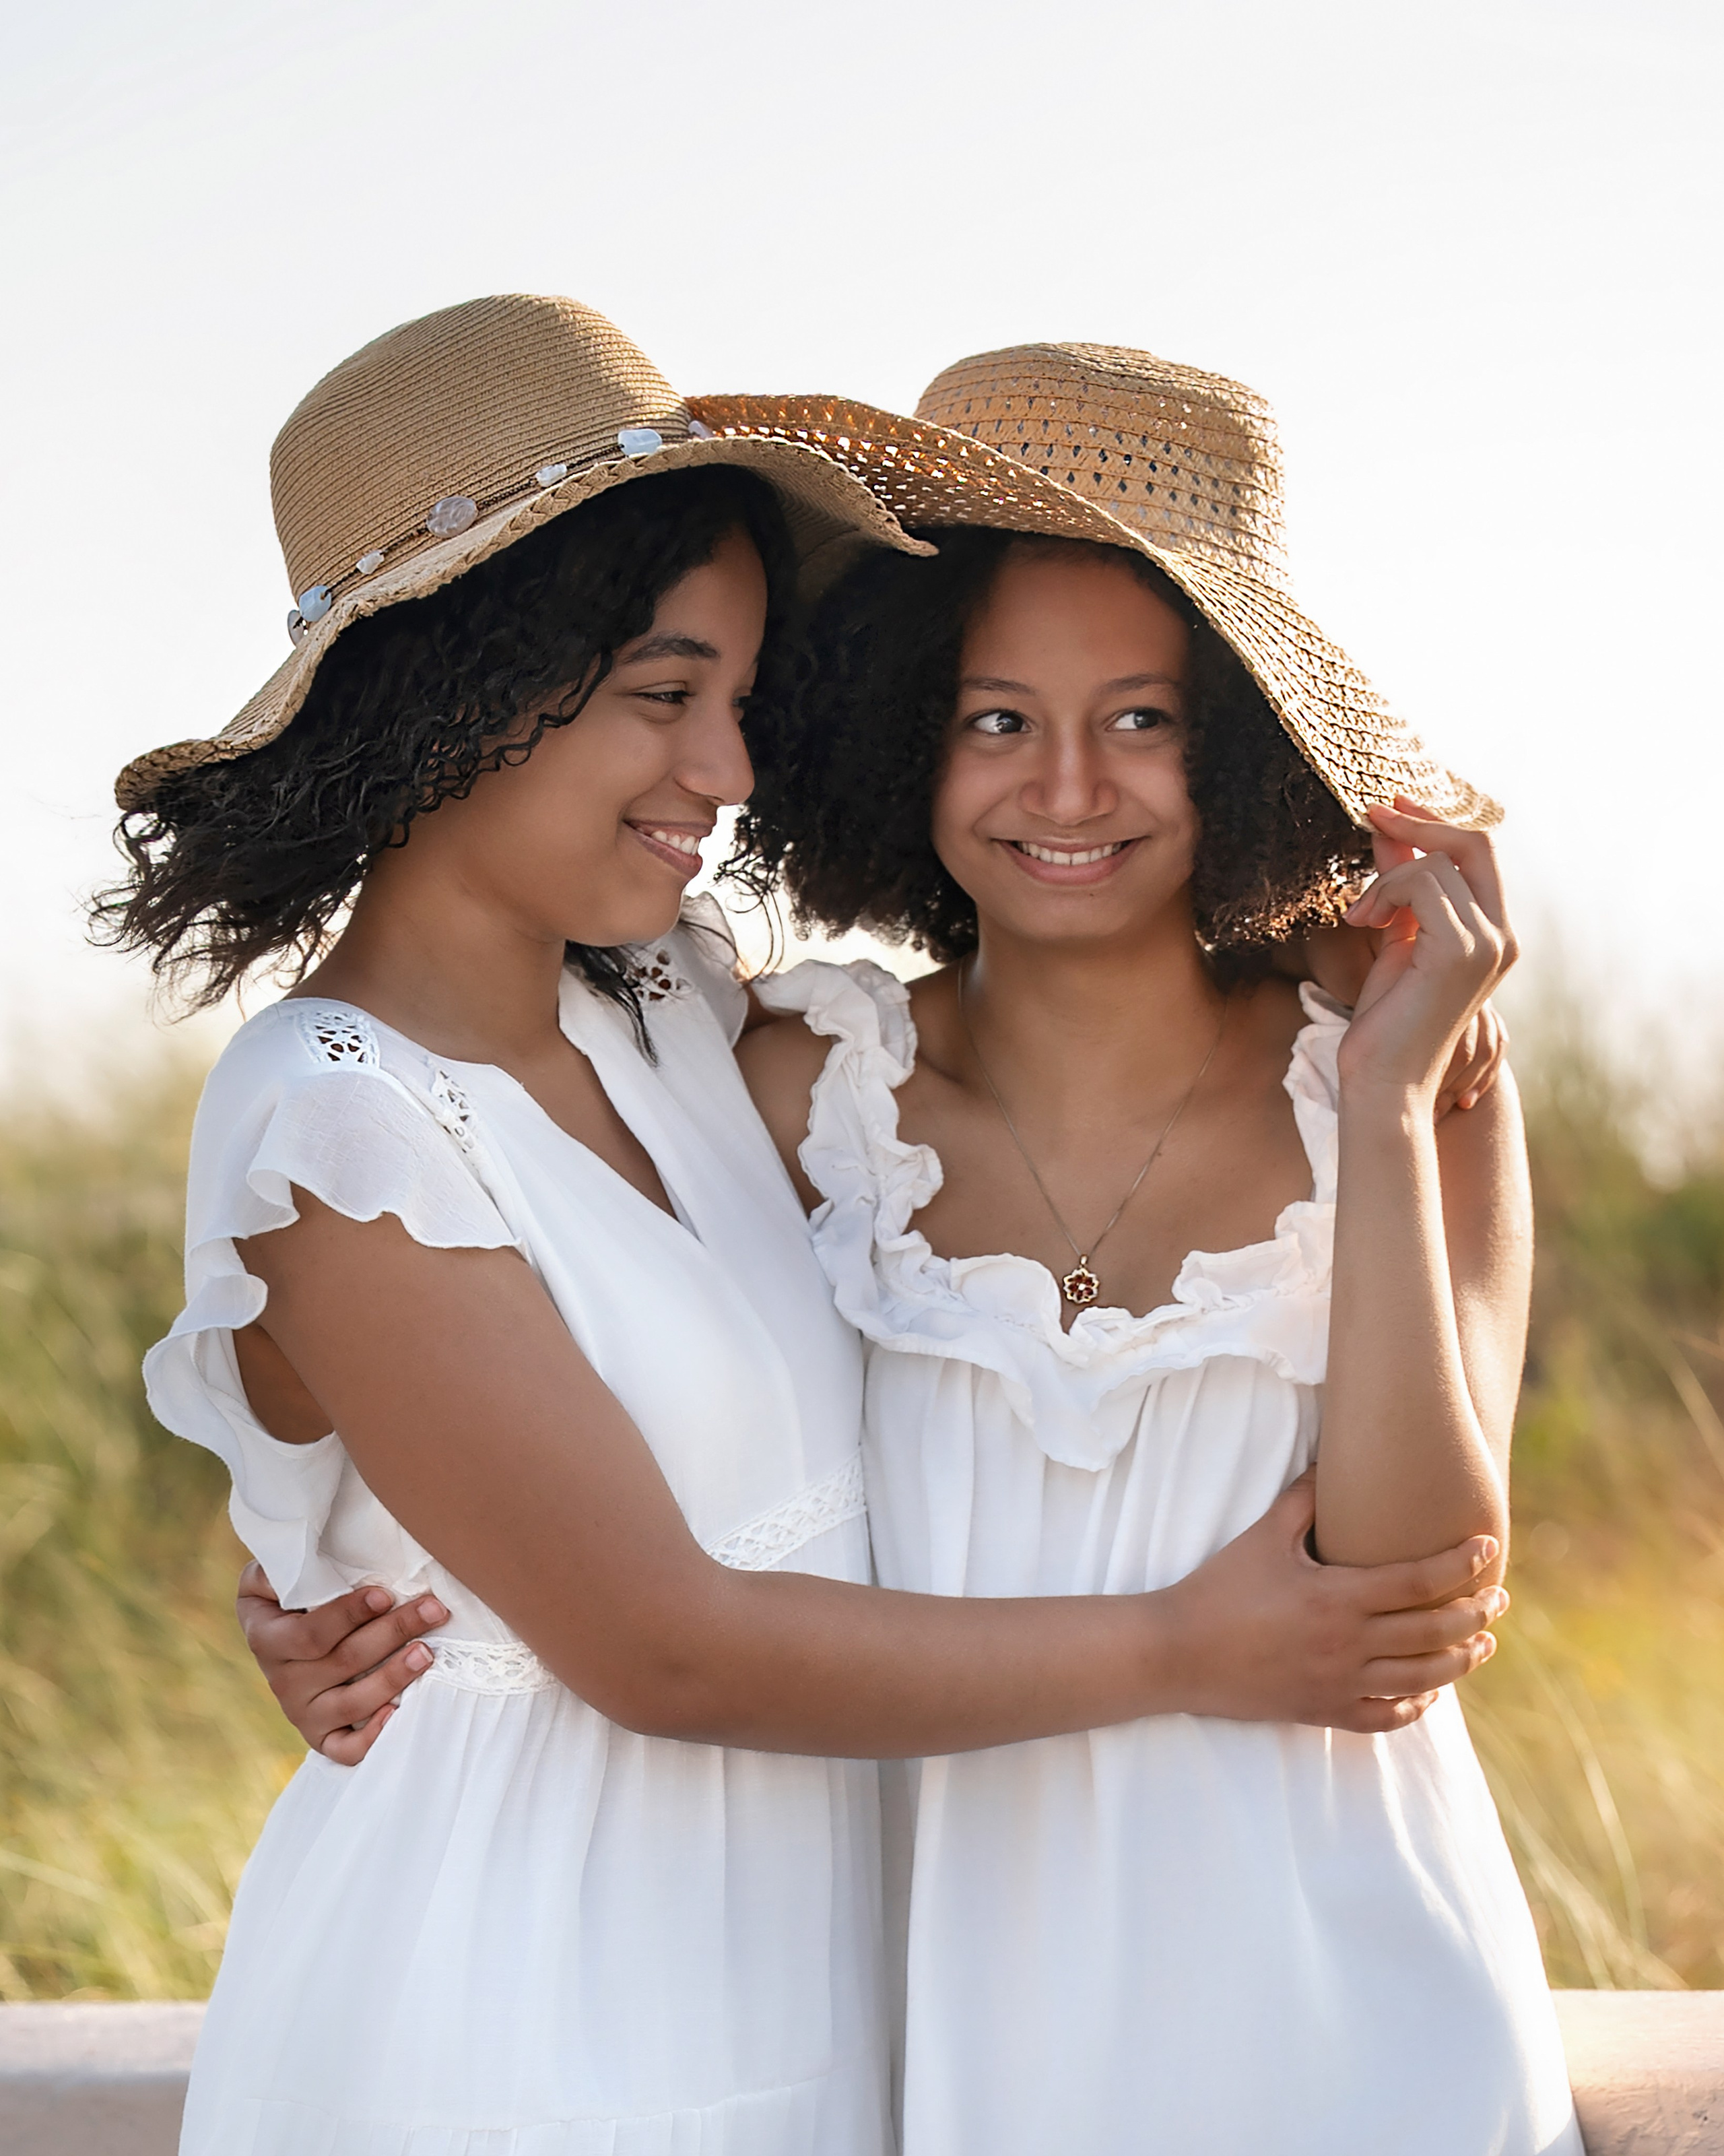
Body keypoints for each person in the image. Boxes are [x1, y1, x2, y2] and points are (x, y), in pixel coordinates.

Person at [102, 300, 1506, 2155]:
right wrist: (1180, 1642)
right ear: (463, 686)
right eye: (662, 695)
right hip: (514, 2012)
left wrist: (1359, 1032)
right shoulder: (353, 1111)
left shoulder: (678, 1016)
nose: (727, 770)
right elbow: (657, 1634)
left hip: (809, 2010)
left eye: (741, 703)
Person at [717, 343, 1581, 2154]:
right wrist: (330, 1572)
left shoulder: (1420, 1088)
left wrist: (1392, 1088)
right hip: (942, 2025)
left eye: (1143, 717)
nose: (1067, 789)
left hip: (1359, 2030)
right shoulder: (803, 1082)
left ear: (1242, 744)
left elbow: (1415, 1586)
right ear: (906, 736)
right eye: (996, 716)